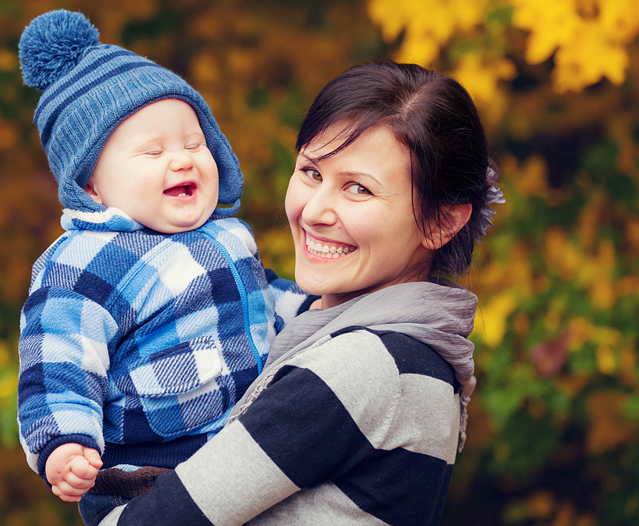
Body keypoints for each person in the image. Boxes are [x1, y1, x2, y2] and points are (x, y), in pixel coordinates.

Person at [98, 60, 504, 525]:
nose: (314, 212)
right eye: (311, 172)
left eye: (358, 189)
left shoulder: (366, 365)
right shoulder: (389, 348)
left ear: (441, 222)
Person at [15, 10, 313, 526]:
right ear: (91, 186)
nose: (182, 159)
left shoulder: (227, 236)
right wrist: (63, 442)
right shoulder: (84, 263)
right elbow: (58, 358)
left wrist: (325, 306)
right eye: (152, 151)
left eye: (194, 143)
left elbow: (265, 301)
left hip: (243, 442)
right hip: (149, 470)